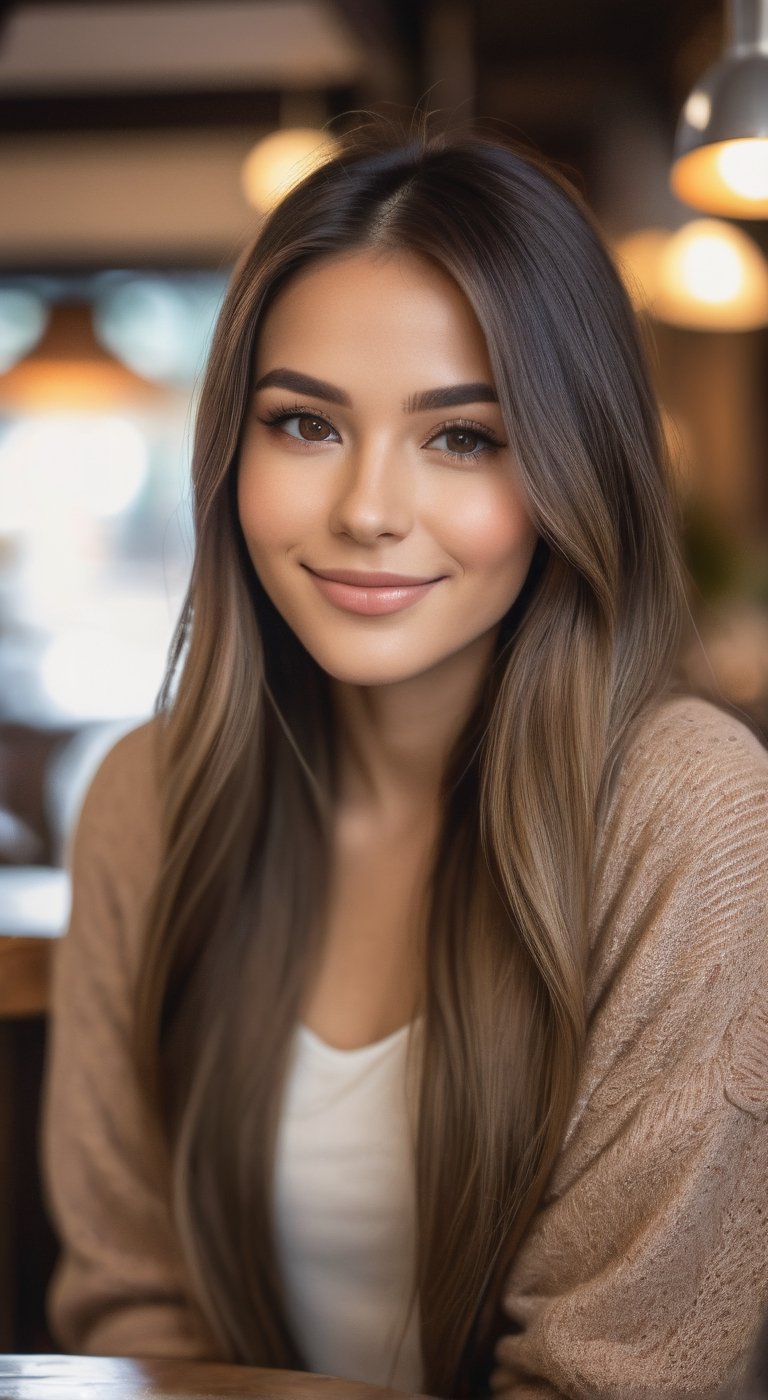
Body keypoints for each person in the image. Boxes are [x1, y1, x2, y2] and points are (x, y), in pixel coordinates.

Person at [41, 124, 768, 1400]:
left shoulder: (694, 817)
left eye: (463, 438)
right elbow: (135, 1322)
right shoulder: (143, 804)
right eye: (307, 424)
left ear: (570, 469)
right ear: (232, 450)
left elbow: (613, 1385)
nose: (370, 509)